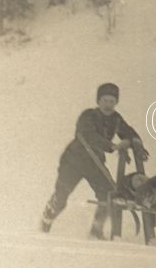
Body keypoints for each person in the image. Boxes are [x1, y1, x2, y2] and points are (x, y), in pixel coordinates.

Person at [40, 83, 149, 238]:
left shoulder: (116, 119)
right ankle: (46, 220)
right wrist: (112, 146)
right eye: (105, 101)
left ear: (116, 103)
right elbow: (88, 136)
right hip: (73, 161)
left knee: (107, 193)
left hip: (94, 163)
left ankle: (96, 229)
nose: (108, 105)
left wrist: (136, 144)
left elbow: (128, 132)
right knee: (62, 194)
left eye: (112, 102)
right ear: (98, 101)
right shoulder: (88, 116)